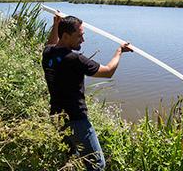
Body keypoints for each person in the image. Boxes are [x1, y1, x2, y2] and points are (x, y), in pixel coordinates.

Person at [42, 14, 133, 171]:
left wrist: (55, 24)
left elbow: (51, 42)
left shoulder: (48, 53)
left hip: (56, 116)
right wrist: (119, 51)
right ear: (65, 36)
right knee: (97, 164)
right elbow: (108, 71)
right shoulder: (75, 59)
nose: (82, 41)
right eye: (79, 36)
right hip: (76, 120)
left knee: (69, 158)